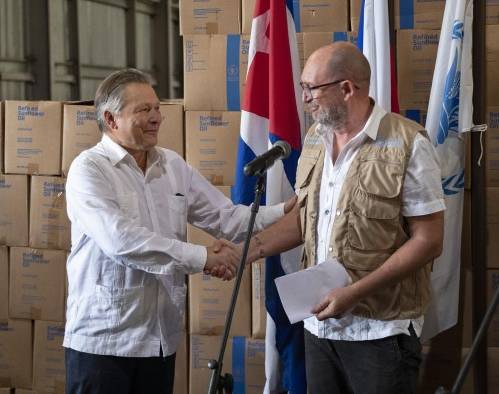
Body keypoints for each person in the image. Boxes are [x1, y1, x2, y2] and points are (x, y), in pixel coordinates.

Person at [63, 68, 294, 394]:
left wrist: (284, 211)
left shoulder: (172, 166)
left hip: (160, 342)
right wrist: (204, 258)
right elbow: (122, 241)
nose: (156, 117)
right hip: (104, 343)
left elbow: (226, 218)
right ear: (111, 119)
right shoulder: (89, 170)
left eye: (157, 108)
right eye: (144, 110)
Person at [235, 42, 445, 393]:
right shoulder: (316, 138)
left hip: (380, 331)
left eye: (311, 89)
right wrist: (248, 250)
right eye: (303, 88)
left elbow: (429, 240)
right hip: (320, 329)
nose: (305, 99)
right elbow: (308, 218)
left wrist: (353, 293)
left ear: (347, 88)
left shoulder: (408, 143)